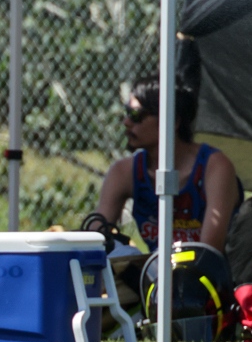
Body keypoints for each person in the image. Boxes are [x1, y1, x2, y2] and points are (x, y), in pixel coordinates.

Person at [89, 77, 240, 257]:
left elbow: (207, 253)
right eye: (127, 112)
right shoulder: (124, 172)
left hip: (209, 279)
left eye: (137, 115)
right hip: (155, 276)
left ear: (172, 121)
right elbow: (95, 242)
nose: (126, 122)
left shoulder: (214, 167)